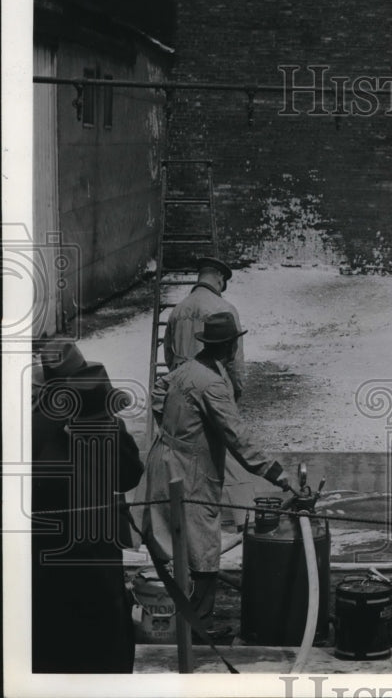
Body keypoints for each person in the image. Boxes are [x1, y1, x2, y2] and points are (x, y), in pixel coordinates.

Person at [141, 311, 299, 638]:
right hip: (189, 472)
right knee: (203, 550)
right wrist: (278, 474)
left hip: (166, 459)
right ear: (228, 347)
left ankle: (175, 619)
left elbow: (158, 394)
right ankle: (199, 629)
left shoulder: (185, 369)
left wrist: (175, 431)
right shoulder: (211, 382)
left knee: (173, 542)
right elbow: (237, 435)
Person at [32, 343, 144, 672]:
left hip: (46, 556)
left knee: (53, 641)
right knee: (102, 641)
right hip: (96, 555)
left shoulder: (32, 424)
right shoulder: (100, 416)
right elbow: (130, 476)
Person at [163, 255, 246, 401]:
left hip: (181, 386)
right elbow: (234, 357)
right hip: (213, 388)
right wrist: (237, 388)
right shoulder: (225, 309)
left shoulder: (178, 309)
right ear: (220, 278)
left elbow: (169, 354)